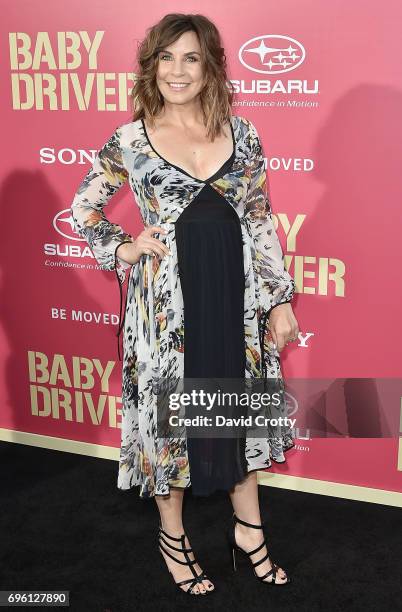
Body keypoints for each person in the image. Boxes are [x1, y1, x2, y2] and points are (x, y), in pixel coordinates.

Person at [71, 13, 299, 596]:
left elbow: (259, 217)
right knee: (173, 419)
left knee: (234, 412)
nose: (178, 70)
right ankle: (173, 536)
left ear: (209, 67)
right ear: (152, 66)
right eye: (166, 58)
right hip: (166, 308)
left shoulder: (241, 132)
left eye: (190, 58)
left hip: (234, 294)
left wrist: (278, 300)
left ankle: (249, 530)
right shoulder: (130, 139)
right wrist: (122, 246)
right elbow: (83, 210)